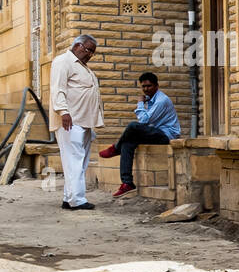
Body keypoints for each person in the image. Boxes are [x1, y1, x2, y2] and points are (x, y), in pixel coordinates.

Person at [98, 71, 181, 198]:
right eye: (143, 86)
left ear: (156, 86)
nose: (146, 89)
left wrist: (140, 103)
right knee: (127, 143)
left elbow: (144, 120)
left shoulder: (161, 100)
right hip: (155, 132)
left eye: (149, 86)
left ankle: (115, 148)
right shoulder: (151, 99)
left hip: (166, 135)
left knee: (133, 125)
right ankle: (127, 183)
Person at [50, 34, 103, 211]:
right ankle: (77, 200)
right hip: (70, 120)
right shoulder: (63, 61)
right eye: (88, 50)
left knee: (80, 161)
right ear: (78, 46)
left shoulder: (83, 67)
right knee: (74, 159)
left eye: (92, 53)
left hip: (84, 120)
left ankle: (69, 197)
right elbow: (58, 89)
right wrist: (63, 112)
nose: (89, 55)